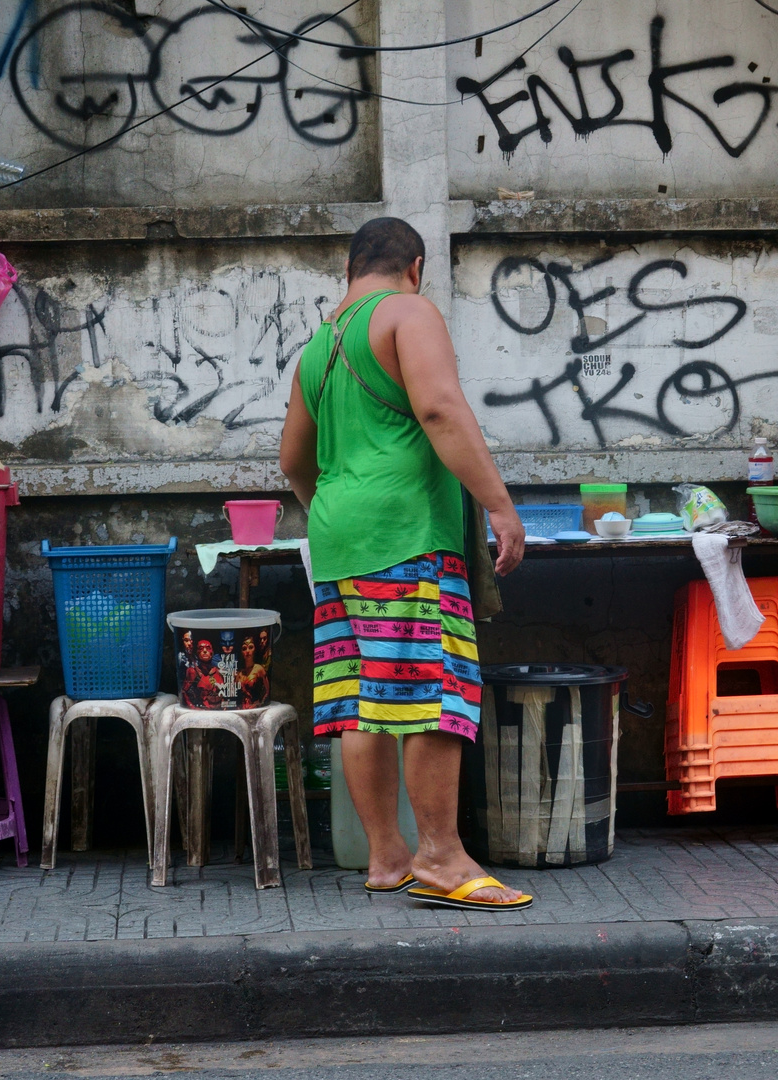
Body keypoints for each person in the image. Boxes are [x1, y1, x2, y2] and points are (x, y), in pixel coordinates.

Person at [280, 216, 530, 911]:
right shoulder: (408, 312)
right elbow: (441, 409)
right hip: (406, 534)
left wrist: (339, 508)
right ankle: (442, 857)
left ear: (351, 267)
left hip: (337, 539)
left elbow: (294, 462)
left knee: (363, 703)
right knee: (433, 696)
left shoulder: (319, 344)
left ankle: (388, 857)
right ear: (414, 266)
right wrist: (500, 506)